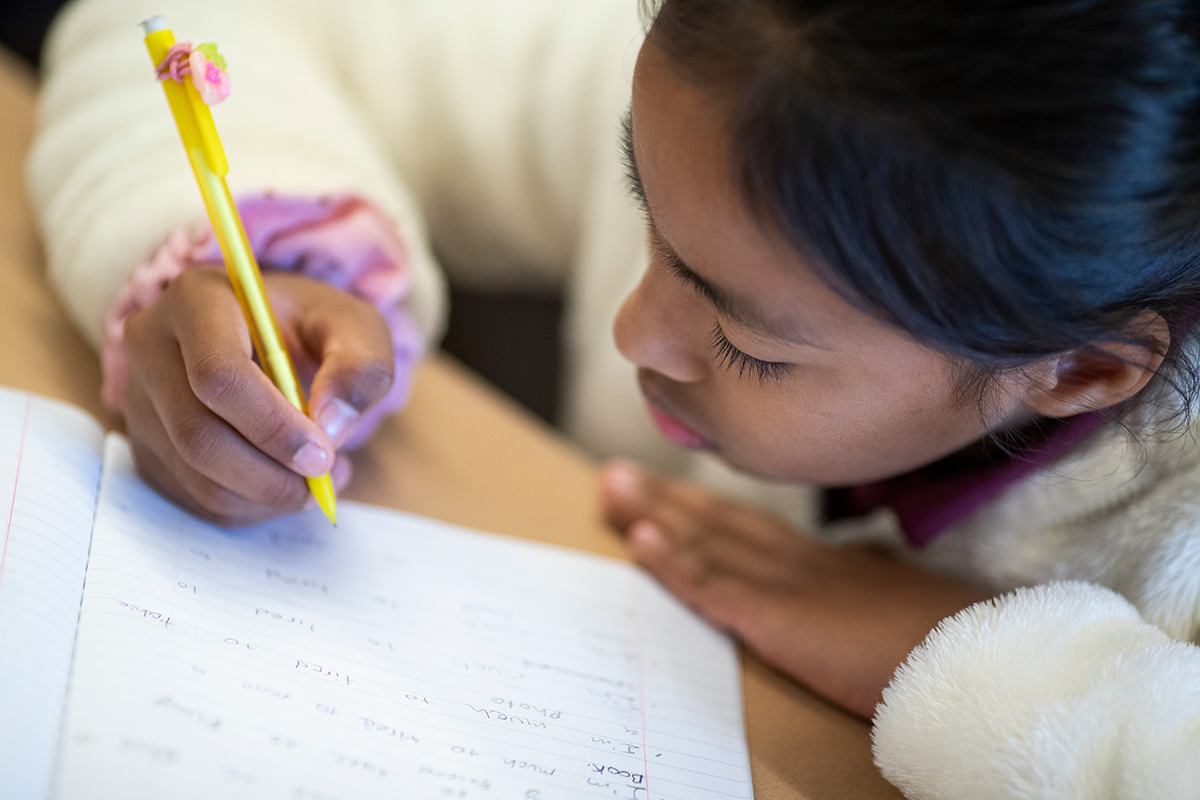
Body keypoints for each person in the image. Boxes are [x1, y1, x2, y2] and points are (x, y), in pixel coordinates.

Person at [29, 0, 1200, 796]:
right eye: (644, 197)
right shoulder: (745, 67)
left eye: (746, 340)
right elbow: (200, 24)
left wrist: (957, 654)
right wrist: (262, 260)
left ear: (1081, 372)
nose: (630, 329)